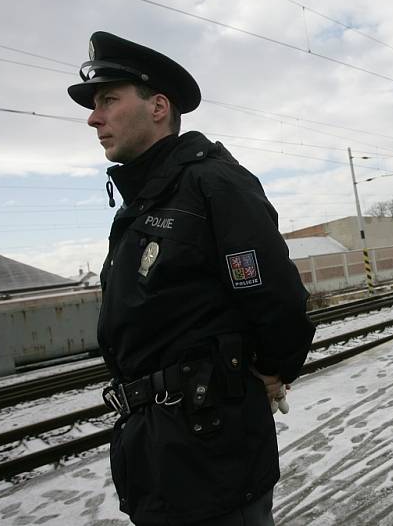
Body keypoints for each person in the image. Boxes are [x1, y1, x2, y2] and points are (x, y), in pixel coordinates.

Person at [67, 31, 315, 525]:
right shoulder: (145, 200)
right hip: (162, 454)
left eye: (108, 101)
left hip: (211, 450)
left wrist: (272, 370)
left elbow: (276, 298)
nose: (94, 118)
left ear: (158, 107)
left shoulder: (212, 184)